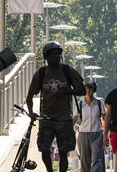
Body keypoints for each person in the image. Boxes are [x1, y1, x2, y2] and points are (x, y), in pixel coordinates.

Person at [26, 41, 86, 172]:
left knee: (64, 152)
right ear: (46, 57)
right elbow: (29, 96)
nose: (56, 57)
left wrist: (67, 91)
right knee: (44, 149)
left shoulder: (67, 71)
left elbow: (82, 90)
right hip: (46, 118)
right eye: (52, 54)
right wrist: (31, 113)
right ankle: (49, 170)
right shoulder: (41, 73)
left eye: (58, 54)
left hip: (64, 118)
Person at [74, 80, 107, 172]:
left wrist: (108, 133)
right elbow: (75, 118)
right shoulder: (80, 104)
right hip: (83, 134)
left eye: (90, 89)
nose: (88, 91)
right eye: (86, 89)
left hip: (97, 134)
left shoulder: (99, 103)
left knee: (97, 159)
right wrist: (67, 130)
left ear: (94, 90)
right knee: (85, 160)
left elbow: (105, 118)